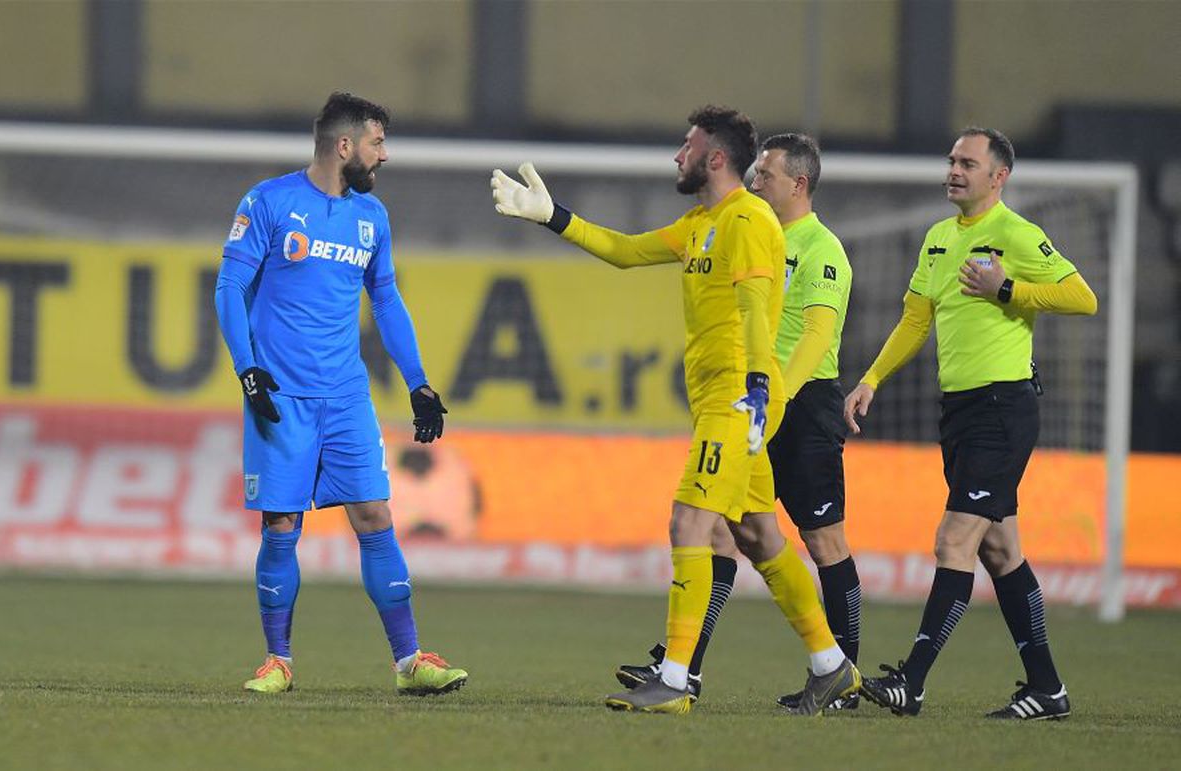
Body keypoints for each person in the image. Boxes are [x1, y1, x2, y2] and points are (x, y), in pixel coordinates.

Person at [491, 106, 860, 715]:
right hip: (724, 398)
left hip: (736, 400)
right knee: (759, 535)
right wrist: (551, 216)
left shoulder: (747, 220)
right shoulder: (702, 221)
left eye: (686, 146)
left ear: (714, 158)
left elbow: (755, 309)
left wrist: (760, 390)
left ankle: (675, 678)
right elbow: (625, 250)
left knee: (689, 525)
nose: (676, 156)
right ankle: (830, 666)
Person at [214, 91, 467, 696]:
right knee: (281, 526)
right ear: (345, 145)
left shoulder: (371, 218)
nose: (386, 155)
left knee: (376, 515)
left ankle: (410, 664)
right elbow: (229, 286)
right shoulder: (269, 202)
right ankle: (278, 661)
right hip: (282, 395)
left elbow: (386, 300)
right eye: (378, 142)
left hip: (347, 397)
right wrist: (248, 370)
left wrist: (419, 383)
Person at [845, 127, 1097, 719]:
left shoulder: (1015, 233)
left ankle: (913, 680)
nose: (954, 169)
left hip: (1003, 407)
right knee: (1001, 550)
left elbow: (1082, 296)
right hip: (959, 411)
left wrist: (1007, 288)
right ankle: (1047, 688)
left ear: (997, 177)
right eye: (952, 159)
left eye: (968, 162)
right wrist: (871, 380)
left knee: (954, 539)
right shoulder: (937, 239)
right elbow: (914, 321)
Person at [614, 133, 863, 713]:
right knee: (743, 532)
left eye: (767, 174)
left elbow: (817, 334)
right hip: (752, 396)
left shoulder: (820, 247)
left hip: (793, 403)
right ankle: (696, 667)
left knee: (819, 539)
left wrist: (774, 396)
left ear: (798, 185)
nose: (755, 181)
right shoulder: (746, 225)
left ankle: (834, 670)